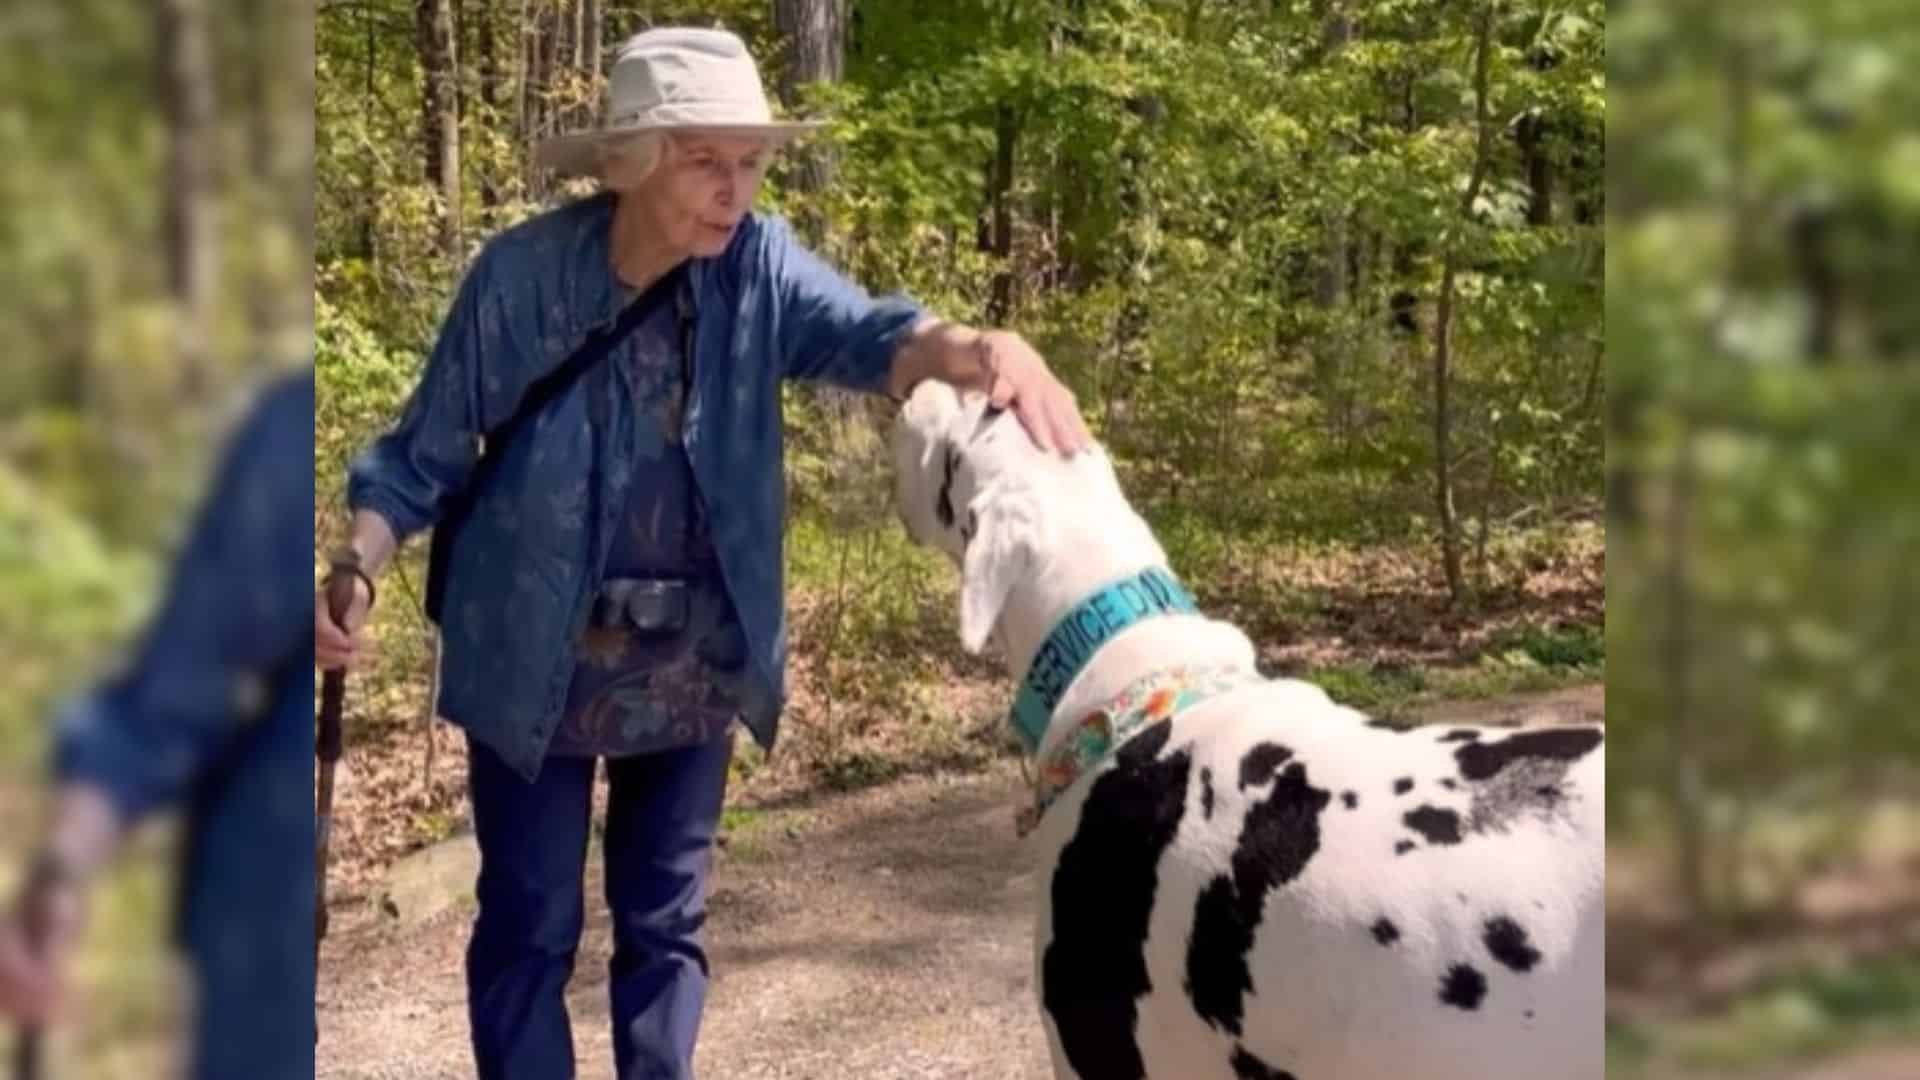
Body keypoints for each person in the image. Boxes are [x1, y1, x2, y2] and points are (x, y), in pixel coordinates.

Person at [314, 26, 1090, 1080]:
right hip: (530, 658)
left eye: (751, 163)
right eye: (706, 162)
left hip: (692, 666)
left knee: (666, 925)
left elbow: (883, 340)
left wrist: (988, 348)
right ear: (633, 160)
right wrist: (358, 563)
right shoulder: (521, 280)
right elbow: (422, 454)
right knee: (529, 928)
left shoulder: (759, 271)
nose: (736, 191)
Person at [0, 369, 317, 1079]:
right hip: (262, 970)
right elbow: (180, 684)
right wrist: (61, 874)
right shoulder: (291, 436)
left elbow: (174, 694)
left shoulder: (291, 431)